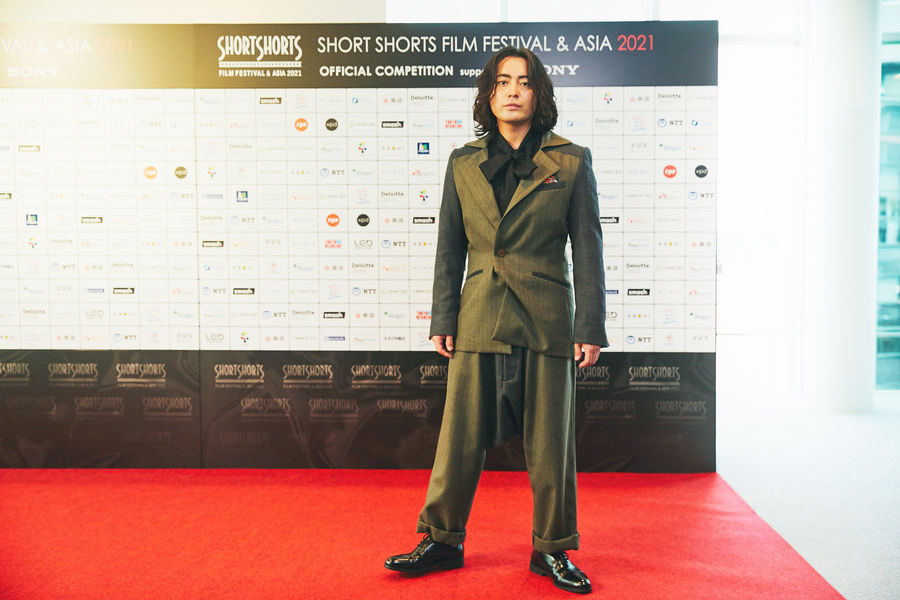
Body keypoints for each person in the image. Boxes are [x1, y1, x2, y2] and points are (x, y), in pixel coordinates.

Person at [384, 46, 608, 595]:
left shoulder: (571, 160)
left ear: (539, 94)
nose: (513, 91)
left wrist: (589, 326)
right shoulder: (462, 162)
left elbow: (588, 248)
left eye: (524, 82)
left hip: (547, 317)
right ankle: (441, 539)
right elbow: (449, 246)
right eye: (503, 81)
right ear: (488, 94)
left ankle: (552, 548)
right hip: (479, 311)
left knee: (551, 444)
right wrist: (444, 314)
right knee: (458, 437)